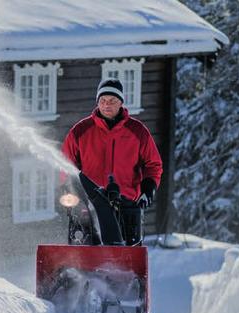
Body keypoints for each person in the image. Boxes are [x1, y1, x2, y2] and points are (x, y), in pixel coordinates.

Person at [61, 78, 163, 245]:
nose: (107, 105)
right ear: (97, 102)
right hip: (89, 205)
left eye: (112, 101)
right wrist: (69, 191)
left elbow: (153, 165)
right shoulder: (80, 130)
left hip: (126, 206)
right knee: (84, 250)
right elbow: (65, 164)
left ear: (121, 103)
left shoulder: (137, 131)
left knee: (126, 254)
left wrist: (149, 187)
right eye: (103, 100)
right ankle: (78, 270)